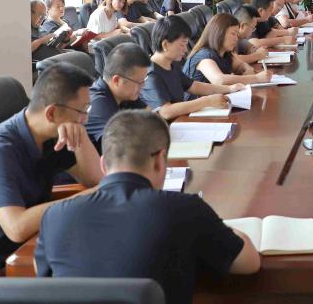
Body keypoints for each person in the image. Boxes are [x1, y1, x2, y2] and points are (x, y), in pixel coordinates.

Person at [35, 110, 260, 303]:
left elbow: (42, 273)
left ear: (103, 164)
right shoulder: (185, 210)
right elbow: (248, 263)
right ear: (160, 161)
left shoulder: (54, 216)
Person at [0, 63, 102, 267]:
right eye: (82, 110)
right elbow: (16, 228)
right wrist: (86, 198)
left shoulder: (51, 135)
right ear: (51, 113)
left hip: (20, 252)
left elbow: (95, 180)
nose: (86, 118)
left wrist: (81, 135)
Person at [144, 16, 240, 121]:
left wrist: (230, 89)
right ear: (165, 45)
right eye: (182, 45)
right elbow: (166, 112)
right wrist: (207, 101)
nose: (185, 49)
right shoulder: (150, 74)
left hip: (180, 121)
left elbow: (194, 86)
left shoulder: (171, 65)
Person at [85, 44, 151, 151]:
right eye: (139, 82)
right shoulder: (98, 103)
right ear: (117, 80)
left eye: (144, 80)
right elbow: (121, 147)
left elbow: (151, 118)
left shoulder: (126, 93)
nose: (143, 86)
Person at [185, 14, 271, 87]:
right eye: (233, 34)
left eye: (237, 34)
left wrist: (247, 69)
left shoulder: (225, 53)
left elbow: (241, 65)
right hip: (199, 101)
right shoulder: (203, 56)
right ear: (219, 33)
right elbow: (220, 80)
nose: (236, 39)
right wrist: (256, 78)